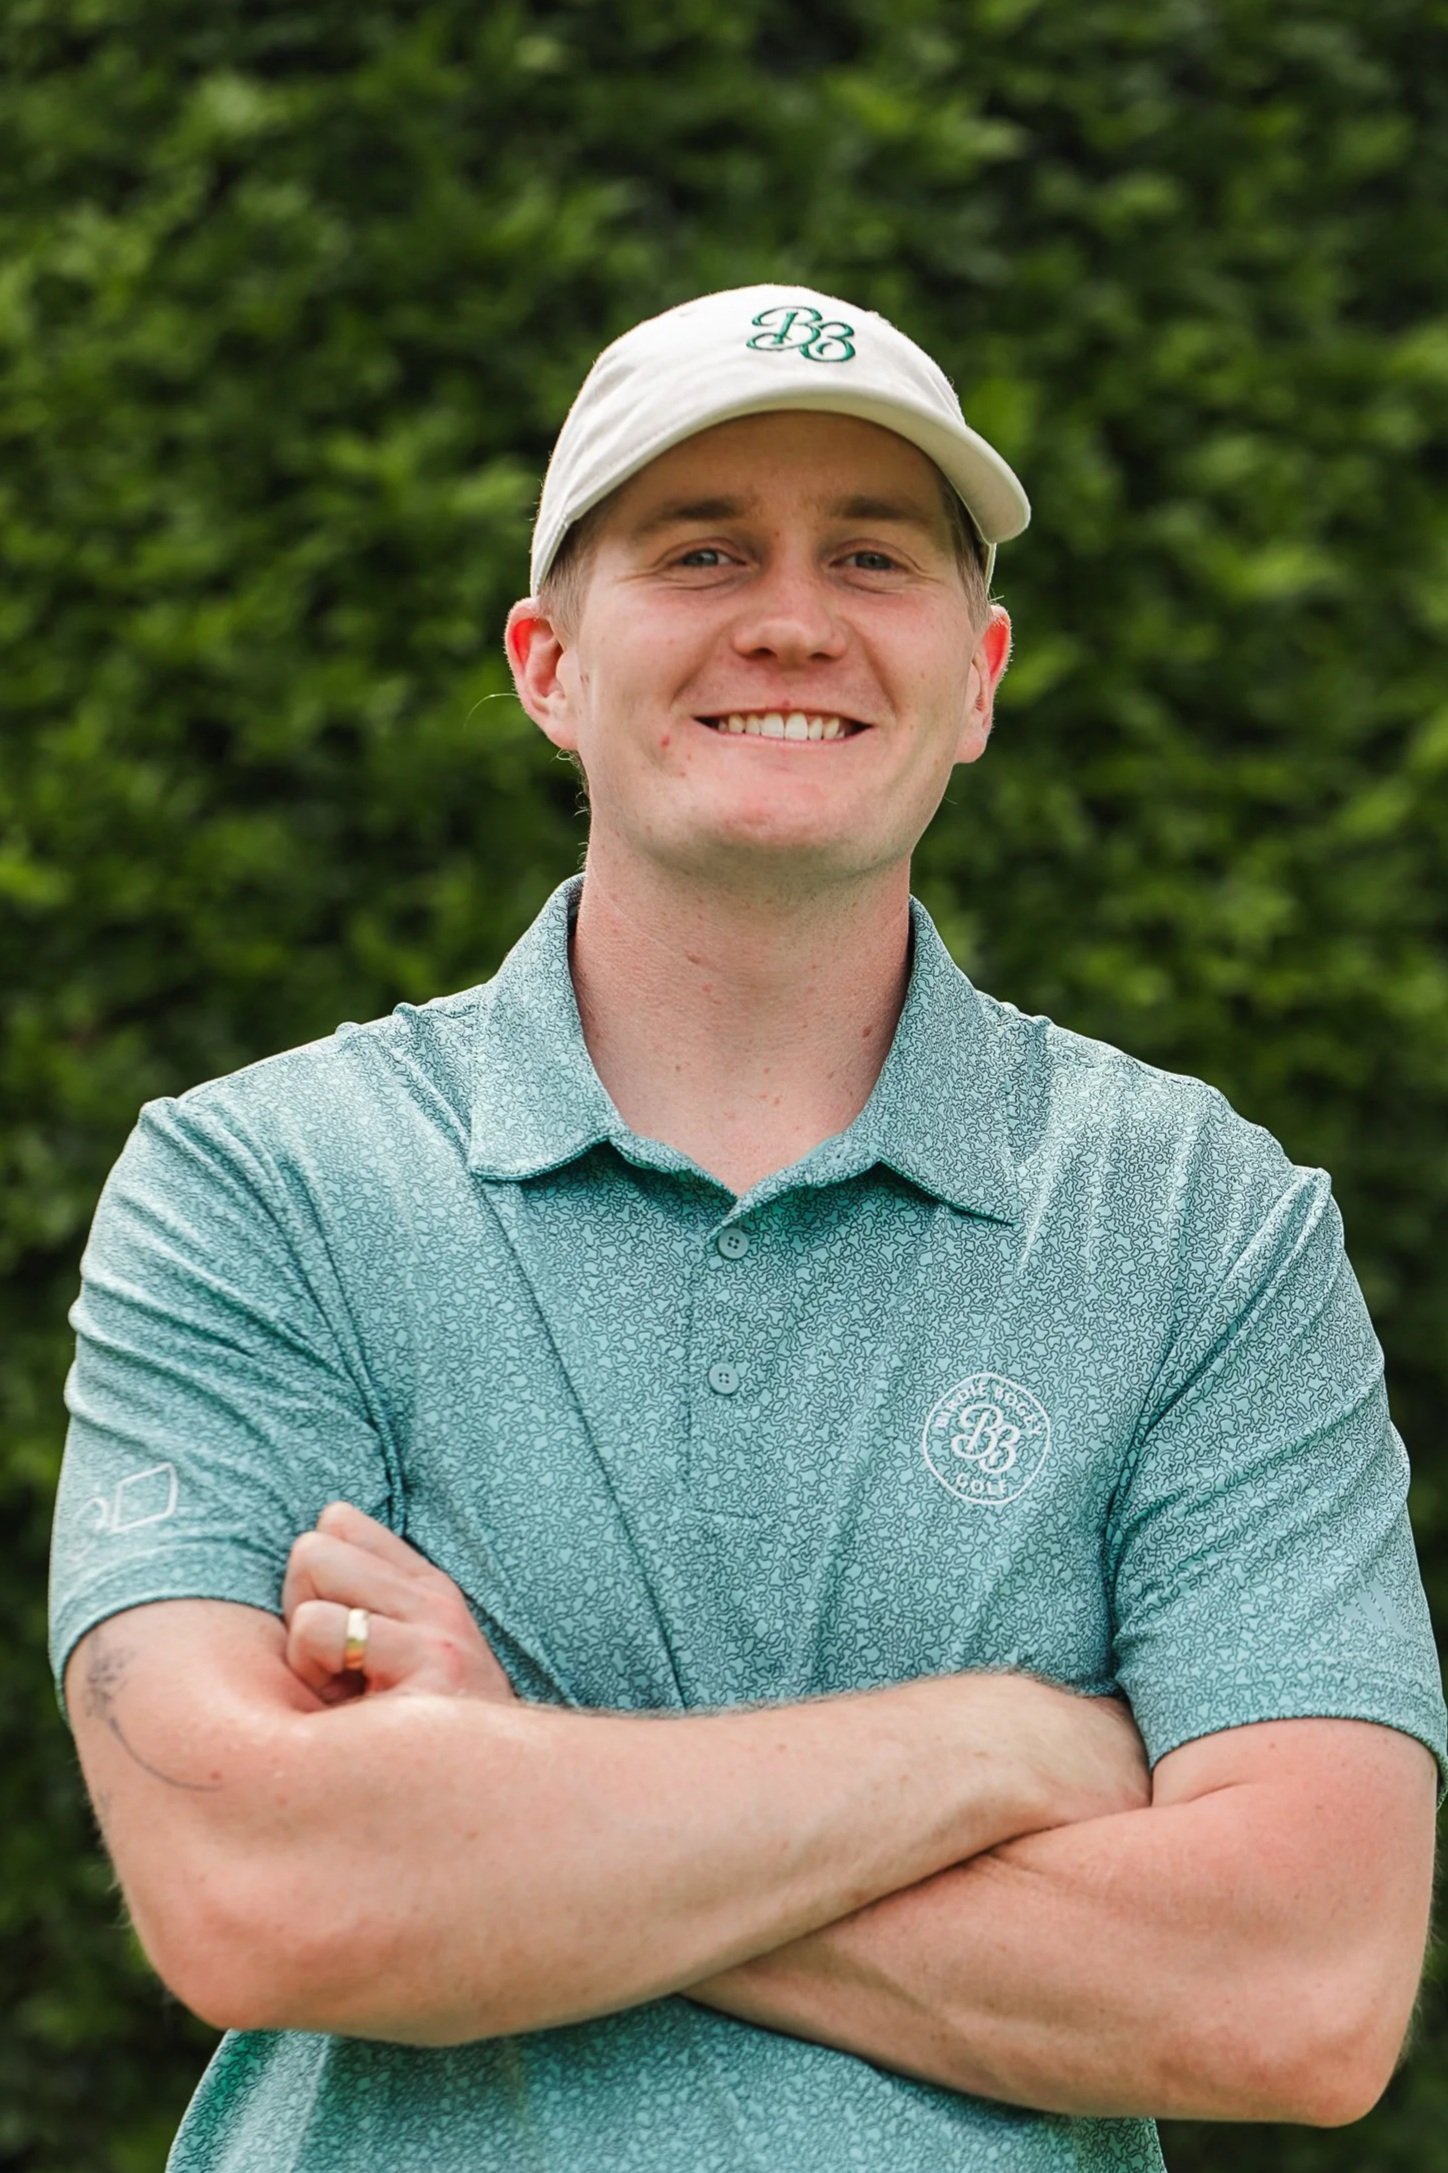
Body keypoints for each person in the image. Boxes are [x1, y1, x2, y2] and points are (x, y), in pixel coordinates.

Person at [48, 283, 1444, 2173]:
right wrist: (998, 1749)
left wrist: (512, 1797)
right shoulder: (261, 1184)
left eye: (870, 554)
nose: (792, 614)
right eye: (703, 549)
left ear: (978, 677)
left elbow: (1304, 1989)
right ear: (547, 662)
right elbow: (262, 1893)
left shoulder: (1203, 1225)